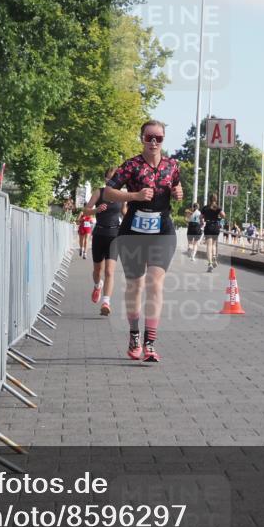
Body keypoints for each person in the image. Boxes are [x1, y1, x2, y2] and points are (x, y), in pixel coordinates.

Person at [101, 120, 183, 363]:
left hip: (162, 230)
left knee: (155, 284)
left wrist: (179, 194)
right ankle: (134, 335)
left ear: (164, 139)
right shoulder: (131, 166)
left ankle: (150, 343)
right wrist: (134, 195)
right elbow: (108, 192)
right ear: (142, 139)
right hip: (134, 231)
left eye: (159, 137)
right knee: (135, 286)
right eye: (149, 137)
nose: (154, 142)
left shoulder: (172, 165)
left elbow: (177, 188)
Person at [84, 169, 126, 316]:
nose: (111, 181)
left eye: (114, 178)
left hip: (114, 235)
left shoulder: (121, 196)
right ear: (105, 178)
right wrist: (96, 211)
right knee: (97, 271)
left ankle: (106, 302)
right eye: (109, 178)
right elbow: (86, 210)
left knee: (109, 271)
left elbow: (125, 213)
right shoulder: (99, 193)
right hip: (99, 234)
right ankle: (97, 285)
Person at [201, 193, 224, 272]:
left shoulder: (205, 208)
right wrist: (219, 216)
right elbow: (223, 215)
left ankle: (210, 263)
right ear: (216, 199)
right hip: (215, 226)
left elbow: (201, 217)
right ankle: (214, 256)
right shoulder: (217, 207)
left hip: (208, 226)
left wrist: (202, 222)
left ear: (209, 199)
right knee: (214, 244)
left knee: (209, 246)